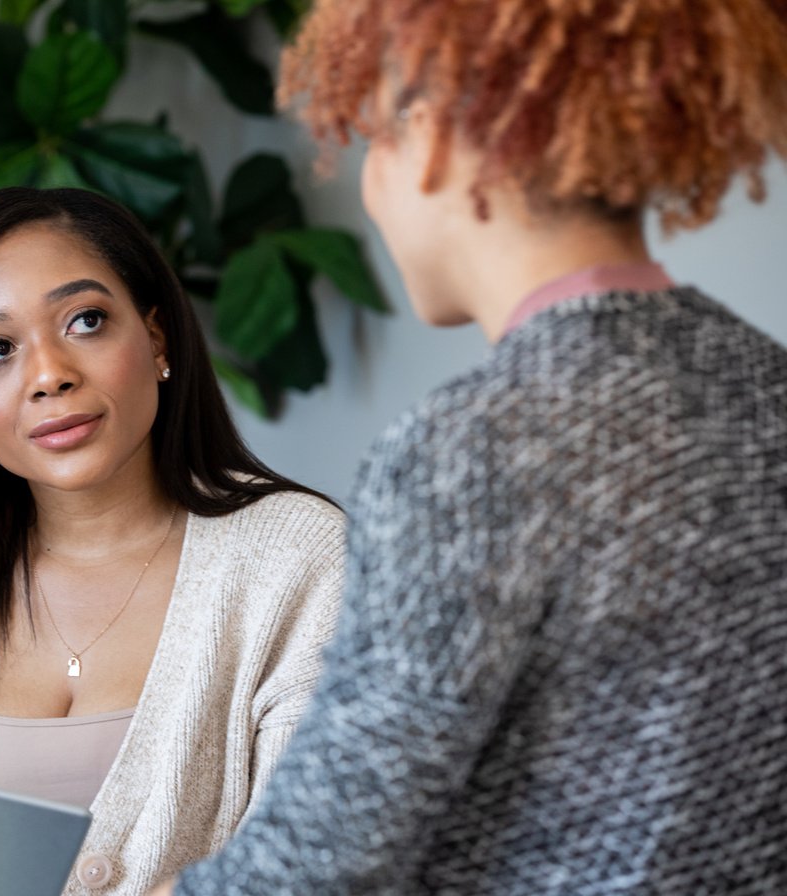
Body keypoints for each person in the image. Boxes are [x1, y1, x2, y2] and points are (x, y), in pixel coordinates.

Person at [150, 1, 787, 893]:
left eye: (370, 137)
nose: (369, 187)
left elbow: (324, 858)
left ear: (436, 130)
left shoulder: (471, 449)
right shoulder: (769, 386)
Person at [0, 187, 347, 895]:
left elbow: (326, 863)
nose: (49, 375)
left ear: (157, 338)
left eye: (85, 320)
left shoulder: (297, 559)